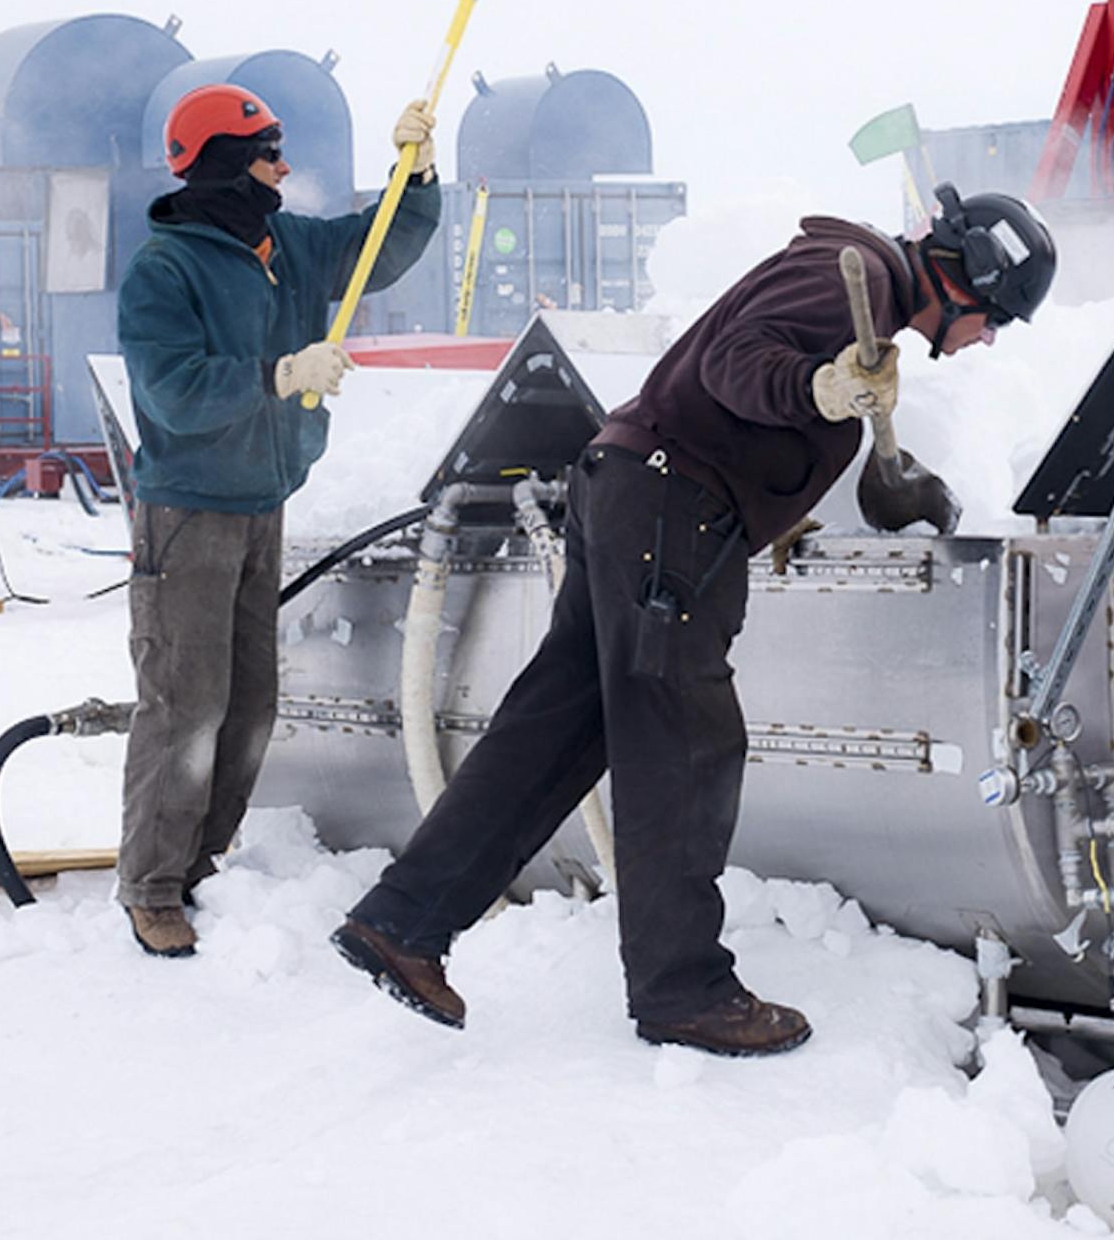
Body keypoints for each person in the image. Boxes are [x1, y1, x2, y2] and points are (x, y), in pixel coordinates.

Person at [332, 184, 1057, 1054]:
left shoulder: (861, 291)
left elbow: (741, 398)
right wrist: (819, 387)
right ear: (967, 280)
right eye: (996, 321)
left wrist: (785, 496)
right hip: (670, 512)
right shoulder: (847, 274)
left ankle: (403, 921)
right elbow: (739, 366)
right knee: (683, 746)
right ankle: (682, 990)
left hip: (637, 493)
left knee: (556, 731)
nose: (986, 341)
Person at [116, 83, 442, 958]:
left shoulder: (284, 245)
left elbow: (378, 249)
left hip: (263, 501)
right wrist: (279, 372)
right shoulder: (166, 272)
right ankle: (152, 882)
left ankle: (198, 865)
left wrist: (416, 174)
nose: (284, 167)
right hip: (188, 513)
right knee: (187, 707)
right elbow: (173, 392)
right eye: (267, 154)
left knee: (251, 707)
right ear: (224, 163)